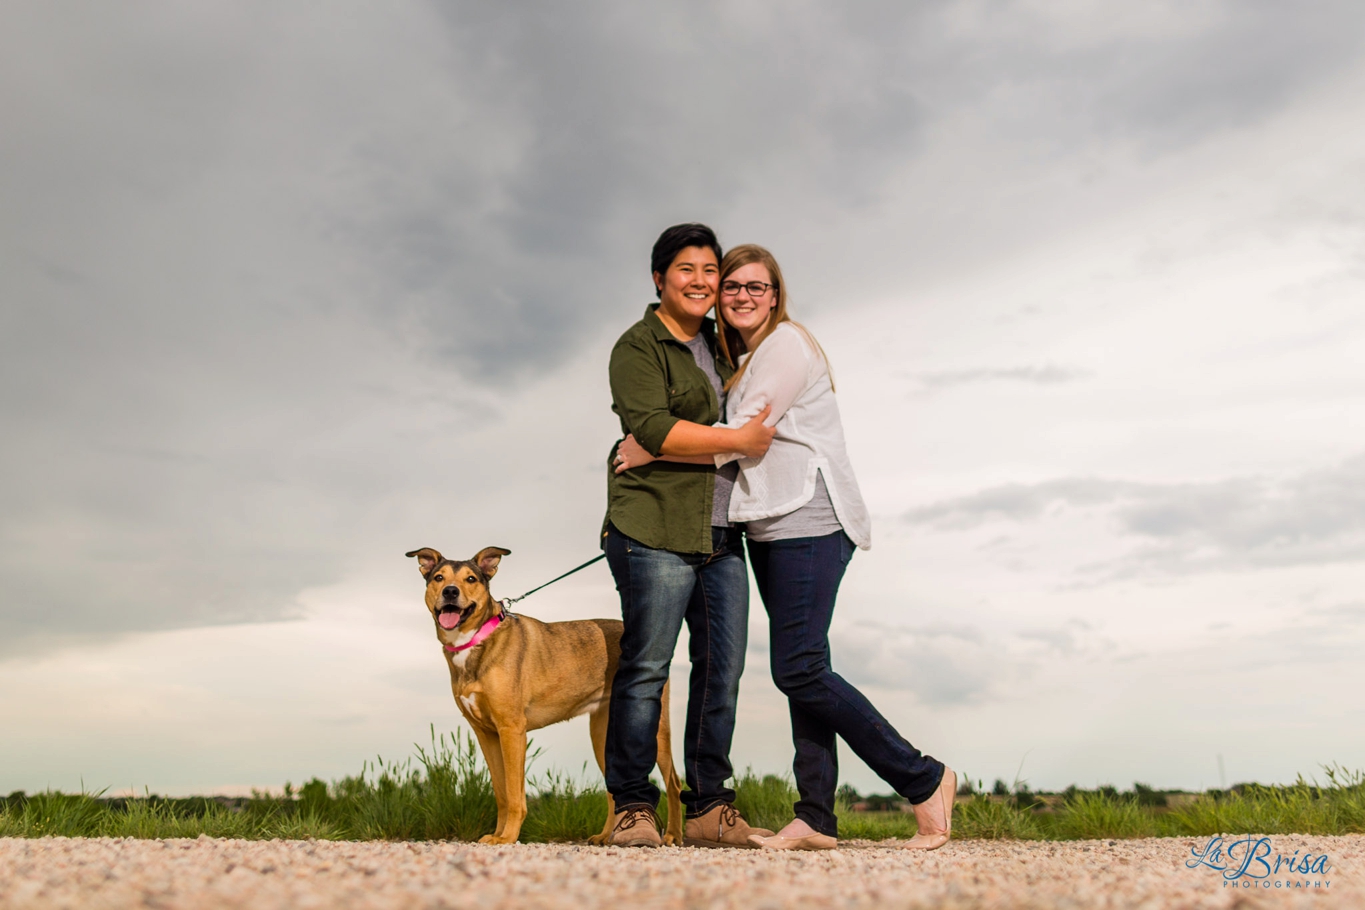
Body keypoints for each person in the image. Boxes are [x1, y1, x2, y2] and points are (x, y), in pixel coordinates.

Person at [614, 243, 956, 851]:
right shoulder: (736, 355)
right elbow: (734, 433)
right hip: (768, 525)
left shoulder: (785, 347)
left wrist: (655, 446)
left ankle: (924, 778)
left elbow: (751, 436)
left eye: (754, 286)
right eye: (732, 286)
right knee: (805, 670)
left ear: (775, 295)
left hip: (809, 518)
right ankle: (816, 817)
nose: (740, 295)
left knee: (798, 668)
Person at [601, 224, 778, 848]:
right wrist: (732, 442)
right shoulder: (638, 347)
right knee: (646, 668)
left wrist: (683, 445)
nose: (702, 282)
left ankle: (708, 808)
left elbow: (692, 434)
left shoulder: (721, 343)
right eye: (687, 270)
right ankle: (631, 807)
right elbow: (653, 428)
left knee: (721, 671)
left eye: (710, 271)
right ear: (659, 278)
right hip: (651, 528)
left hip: (722, 532)